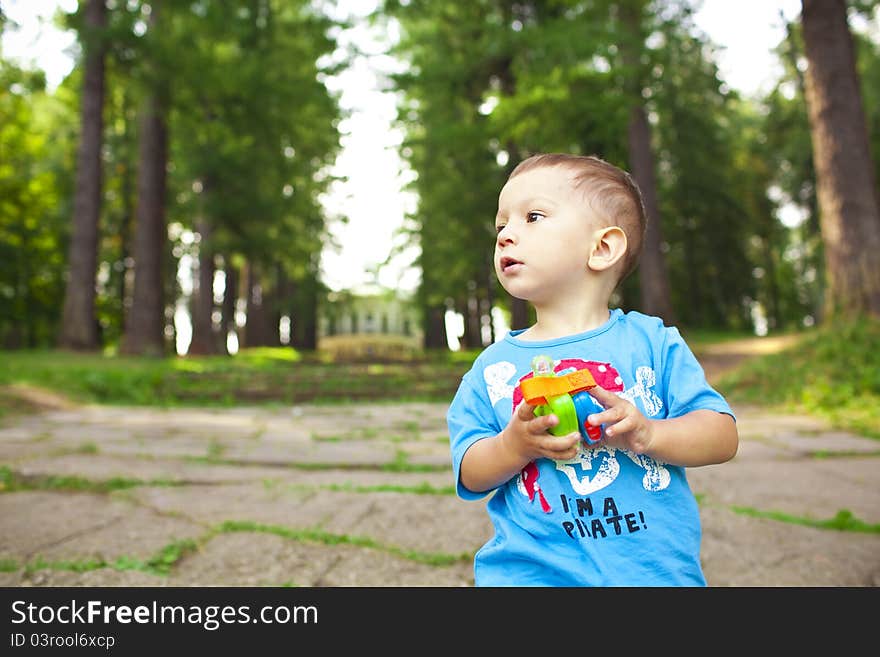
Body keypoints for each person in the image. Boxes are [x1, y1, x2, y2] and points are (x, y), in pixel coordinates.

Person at [446, 153, 739, 586]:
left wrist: (651, 434)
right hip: (533, 576)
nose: (507, 235)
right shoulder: (494, 369)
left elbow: (722, 435)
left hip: (650, 575)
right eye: (501, 225)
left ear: (602, 248)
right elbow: (469, 468)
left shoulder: (652, 343)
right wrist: (514, 444)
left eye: (533, 216)